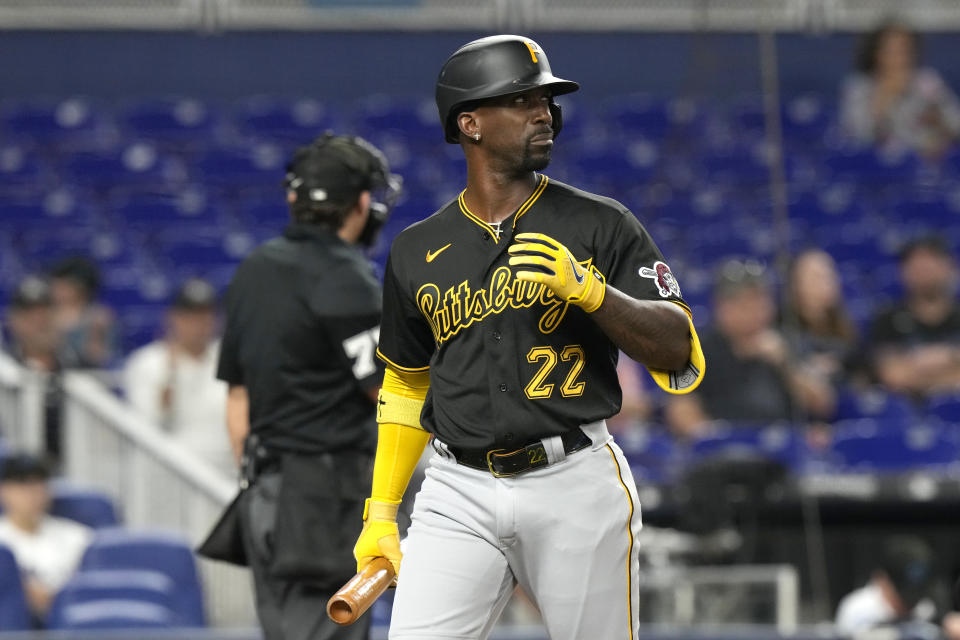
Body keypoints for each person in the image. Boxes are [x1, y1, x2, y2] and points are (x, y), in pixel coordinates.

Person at [352, 35, 705, 640]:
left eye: (545, 100)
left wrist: (594, 294)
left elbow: (679, 351)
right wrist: (381, 509)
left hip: (574, 479)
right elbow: (407, 385)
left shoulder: (599, 222)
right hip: (456, 488)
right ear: (470, 123)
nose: (542, 113)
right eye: (519, 100)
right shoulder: (416, 249)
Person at [216, 133, 401, 640]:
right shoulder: (346, 277)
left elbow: (238, 397)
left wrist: (260, 484)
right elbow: (388, 393)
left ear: (295, 199)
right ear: (361, 204)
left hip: (263, 491)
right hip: (326, 497)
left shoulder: (254, 270)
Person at [665, 260, 833, 439]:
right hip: (727, 451)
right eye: (742, 302)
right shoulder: (698, 349)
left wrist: (785, 365)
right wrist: (712, 437)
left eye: (759, 300)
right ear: (721, 307)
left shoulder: (785, 343)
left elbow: (822, 404)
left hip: (781, 445)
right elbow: (680, 408)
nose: (753, 310)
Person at [123, 278, 233, 476]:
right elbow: (145, 426)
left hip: (225, 473)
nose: (199, 324)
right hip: (172, 476)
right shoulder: (148, 362)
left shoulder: (229, 358)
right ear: (173, 318)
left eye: (206, 315)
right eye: (190, 316)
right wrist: (170, 377)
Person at [840, 21, 960, 159]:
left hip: (925, 163)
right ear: (876, 53)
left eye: (904, 50)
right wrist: (884, 96)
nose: (898, 58)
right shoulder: (859, 88)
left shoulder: (927, 82)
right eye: (890, 50)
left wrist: (938, 121)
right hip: (876, 164)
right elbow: (856, 135)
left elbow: (955, 124)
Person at [0, 454, 92, 622]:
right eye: (22, 485)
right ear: (4, 490)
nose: (32, 494)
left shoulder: (78, 536)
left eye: (39, 484)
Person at [867, 236, 960, 398]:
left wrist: (947, 356)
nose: (923, 270)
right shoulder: (887, 319)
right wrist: (951, 368)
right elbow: (893, 376)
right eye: (915, 265)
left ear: (949, 266)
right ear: (903, 272)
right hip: (905, 413)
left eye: (931, 261)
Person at [3, 277, 74, 461]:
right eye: (29, 315)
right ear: (14, 321)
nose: (40, 321)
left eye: (46, 313)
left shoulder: (79, 368)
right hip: (15, 476)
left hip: (74, 469)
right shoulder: (4, 372)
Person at [836, 535, 960, 639]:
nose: (910, 603)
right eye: (902, 593)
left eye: (918, 592)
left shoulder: (926, 607)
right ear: (882, 580)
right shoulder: (857, 609)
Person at [781, 249, 858, 386]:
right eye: (817, 276)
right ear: (796, 284)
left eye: (830, 275)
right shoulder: (784, 327)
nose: (827, 282)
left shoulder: (846, 327)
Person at [48, 257, 118, 369]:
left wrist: (95, 333)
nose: (54, 289)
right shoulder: (45, 315)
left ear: (80, 288)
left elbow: (102, 358)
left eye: (63, 285)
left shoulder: (99, 317)